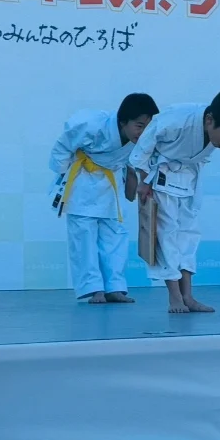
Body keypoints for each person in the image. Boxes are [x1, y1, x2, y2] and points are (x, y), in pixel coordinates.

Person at [130, 89, 220, 313]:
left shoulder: (214, 126)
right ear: (210, 120)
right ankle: (174, 297)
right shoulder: (178, 118)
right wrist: (143, 179)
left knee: (189, 234)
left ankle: (188, 295)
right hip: (160, 176)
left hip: (189, 179)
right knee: (165, 235)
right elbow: (145, 144)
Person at [49, 93, 159, 304]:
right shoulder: (92, 125)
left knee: (115, 236)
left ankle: (115, 287)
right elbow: (63, 146)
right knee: (83, 238)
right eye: (139, 125)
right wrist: (63, 173)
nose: (143, 132)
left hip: (112, 183)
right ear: (122, 121)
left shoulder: (145, 140)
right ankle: (93, 289)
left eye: (148, 126)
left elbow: (144, 163)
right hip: (83, 181)